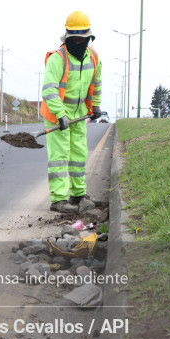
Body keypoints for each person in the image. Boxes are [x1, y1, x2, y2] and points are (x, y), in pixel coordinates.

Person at [40, 11, 102, 214]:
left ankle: (78, 195)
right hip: (58, 115)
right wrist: (60, 114)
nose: (77, 42)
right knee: (59, 156)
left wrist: (95, 106)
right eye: (73, 38)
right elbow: (49, 89)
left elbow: (96, 84)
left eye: (81, 38)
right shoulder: (58, 58)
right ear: (67, 37)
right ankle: (58, 199)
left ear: (87, 37)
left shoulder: (93, 57)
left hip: (79, 114)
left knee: (79, 154)